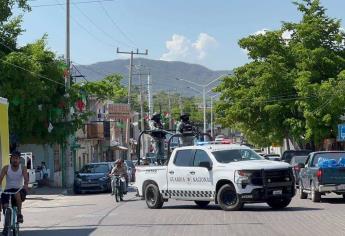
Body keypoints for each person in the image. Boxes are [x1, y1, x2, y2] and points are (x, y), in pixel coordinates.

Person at [0, 151, 28, 228]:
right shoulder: (6, 168)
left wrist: (26, 185)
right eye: (13, 158)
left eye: (17, 158)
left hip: (19, 190)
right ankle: (6, 225)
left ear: (19, 160)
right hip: (8, 190)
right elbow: (0, 178)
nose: (15, 160)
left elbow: (26, 179)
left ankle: (19, 214)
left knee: (17, 194)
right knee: (5, 206)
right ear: (11, 159)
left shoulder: (23, 167)